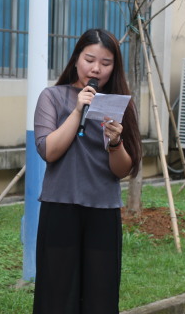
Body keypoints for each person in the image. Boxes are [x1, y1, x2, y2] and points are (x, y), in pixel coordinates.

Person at [32, 28, 142, 314]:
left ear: (114, 67)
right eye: (89, 60)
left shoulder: (119, 104)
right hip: (60, 206)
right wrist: (78, 110)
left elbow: (122, 170)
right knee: (57, 296)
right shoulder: (52, 97)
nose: (96, 69)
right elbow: (48, 151)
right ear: (76, 59)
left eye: (106, 63)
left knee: (100, 297)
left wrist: (115, 142)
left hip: (102, 209)